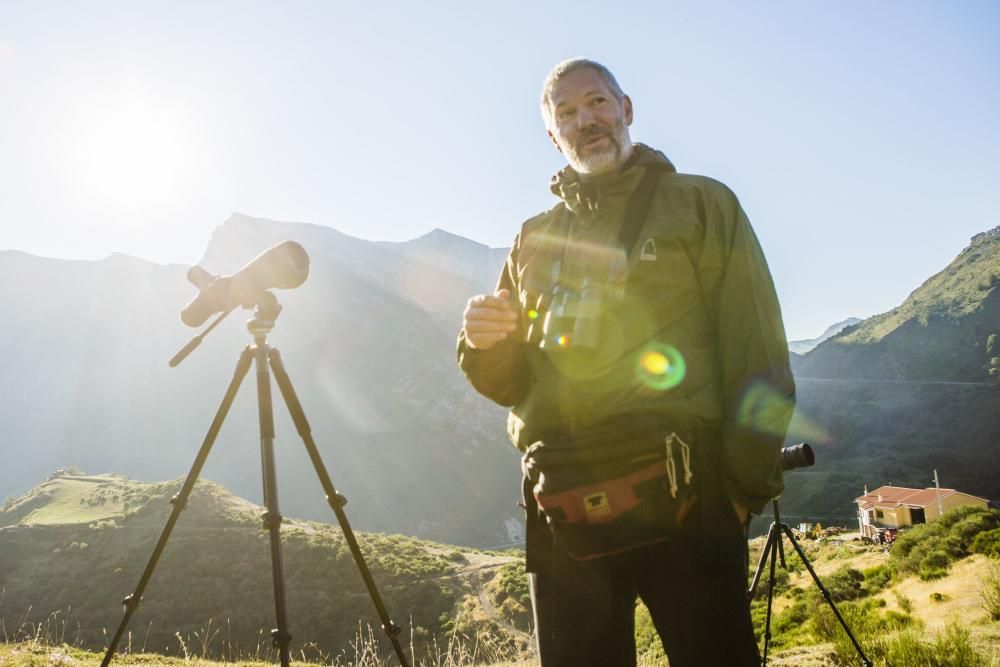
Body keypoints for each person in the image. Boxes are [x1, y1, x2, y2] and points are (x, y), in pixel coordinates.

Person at [457, 58, 795, 667]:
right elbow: (510, 384)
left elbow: (758, 354)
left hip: (690, 503)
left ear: (626, 109)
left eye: (597, 103)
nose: (585, 121)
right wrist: (483, 346)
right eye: (566, 113)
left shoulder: (701, 205)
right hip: (561, 511)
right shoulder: (531, 239)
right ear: (551, 134)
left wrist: (739, 497)